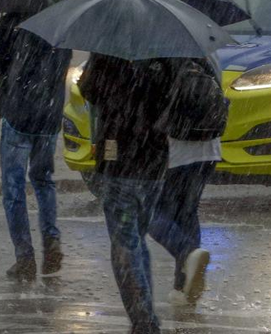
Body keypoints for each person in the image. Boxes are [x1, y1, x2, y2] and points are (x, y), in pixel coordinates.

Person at [79, 54, 175, 334]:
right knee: (137, 240)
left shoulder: (110, 52)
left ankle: (143, 319)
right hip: (154, 164)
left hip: (119, 160)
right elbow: (174, 101)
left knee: (125, 244)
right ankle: (145, 313)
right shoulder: (165, 53)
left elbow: (88, 90)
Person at [0, 13, 72, 281]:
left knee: (13, 188)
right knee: (43, 180)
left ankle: (24, 257)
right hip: (49, 117)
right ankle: (51, 239)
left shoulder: (6, 27)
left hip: (18, 115)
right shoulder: (58, 27)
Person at [148, 57, 224, 307]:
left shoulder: (159, 57)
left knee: (148, 213)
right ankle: (183, 286)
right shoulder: (206, 52)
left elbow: (150, 105)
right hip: (209, 148)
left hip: (174, 149)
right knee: (187, 213)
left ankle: (187, 253)